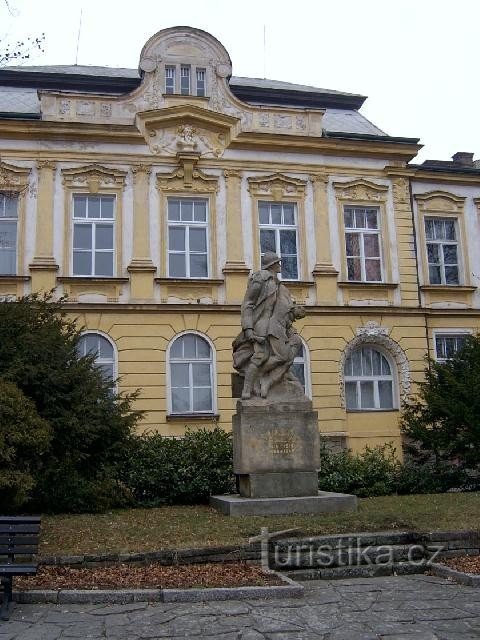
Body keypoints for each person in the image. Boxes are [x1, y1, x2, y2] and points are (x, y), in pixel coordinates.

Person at [233, 251, 305, 399]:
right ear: (272, 265)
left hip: (276, 325)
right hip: (262, 323)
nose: (279, 265)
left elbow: (281, 309)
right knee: (261, 356)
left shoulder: (278, 284)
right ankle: (247, 388)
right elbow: (248, 304)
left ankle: (266, 380)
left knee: (287, 352)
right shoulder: (260, 279)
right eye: (277, 262)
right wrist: (248, 329)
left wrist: (290, 324)